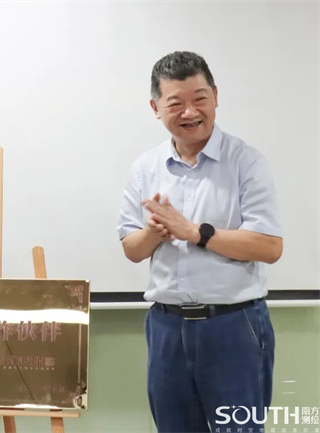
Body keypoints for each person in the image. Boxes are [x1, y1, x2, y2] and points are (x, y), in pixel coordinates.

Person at [117, 51, 283, 433]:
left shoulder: (246, 162)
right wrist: (154, 232)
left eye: (200, 99)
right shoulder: (145, 168)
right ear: (156, 108)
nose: (190, 112)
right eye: (176, 103)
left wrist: (196, 232)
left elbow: (269, 247)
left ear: (216, 97)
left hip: (233, 325)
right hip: (166, 328)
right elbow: (132, 248)